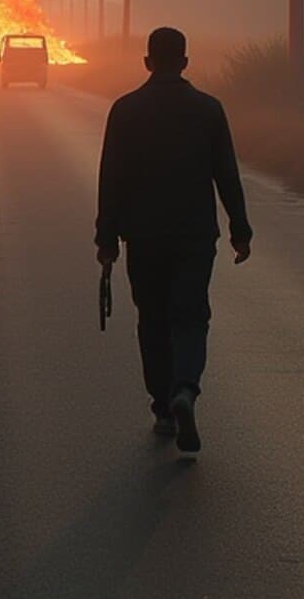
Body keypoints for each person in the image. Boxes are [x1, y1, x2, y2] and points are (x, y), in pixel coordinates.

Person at [95, 26, 252, 454]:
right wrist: (241, 230)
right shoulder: (208, 109)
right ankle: (185, 387)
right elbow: (227, 175)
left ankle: (164, 408)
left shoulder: (125, 111)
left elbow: (111, 179)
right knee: (189, 316)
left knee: (153, 320)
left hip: (143, 237)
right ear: (185, 62)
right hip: (194, 235)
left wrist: (105, 239)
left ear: (147, 62)